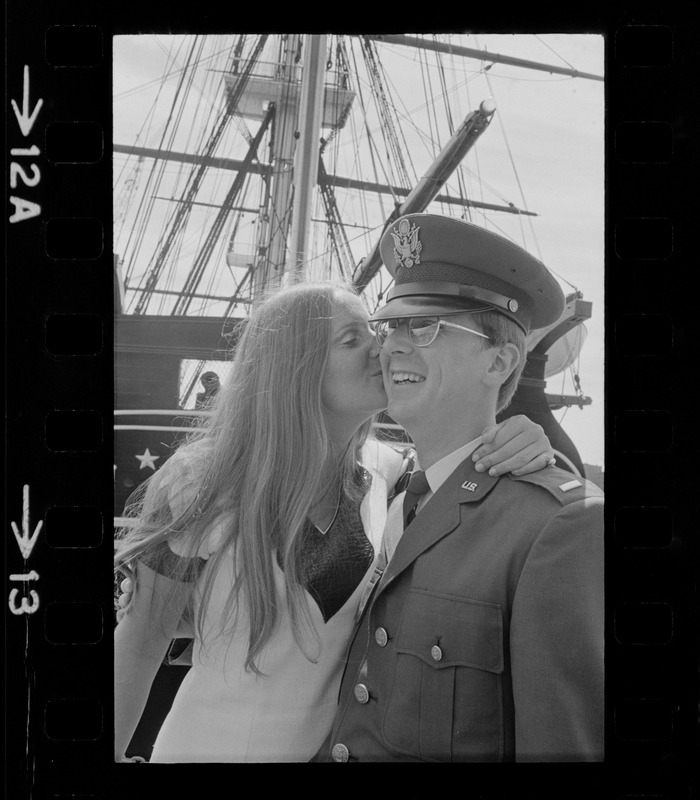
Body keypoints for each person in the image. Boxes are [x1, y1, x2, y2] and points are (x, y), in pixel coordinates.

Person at [114, 278, 556, 763]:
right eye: (352, 340)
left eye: (375, 331)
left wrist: (531, 436)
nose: (382, 348)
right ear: (294, 369)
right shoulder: (202, 482)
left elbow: (477, 472)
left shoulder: (392, 473)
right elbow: (139, 643)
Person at [316, 213, 604, 763]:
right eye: (390, 327)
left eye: (424, 327)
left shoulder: (560, 526)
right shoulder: (394, 497)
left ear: (501, 360)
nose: (390, 347)